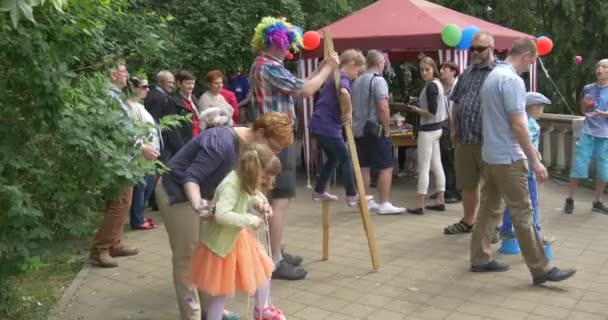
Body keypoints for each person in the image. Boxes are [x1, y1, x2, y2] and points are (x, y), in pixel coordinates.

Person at [156, 112, 293, 320]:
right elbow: (191, 178)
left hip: (207, 198)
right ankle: (192, 313)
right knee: (187, 258)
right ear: (261, 133)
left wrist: (259, 200)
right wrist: (199, 207)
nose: (275, 153)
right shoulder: (221, 144)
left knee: (207, 255)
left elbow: (244, 182)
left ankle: (211, 310)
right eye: (274, 147)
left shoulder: (251, 149)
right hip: (178, 195)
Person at [470, 38, 575, 285]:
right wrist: (534, 159)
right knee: (522, 212)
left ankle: (479, 258)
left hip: (491, 155)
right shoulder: (513, 81)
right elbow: (518, 125)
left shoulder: (492, 76)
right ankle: (541, 269)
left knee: (488, 208)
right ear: (527, 55)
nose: (533, 64)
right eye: (534, 59)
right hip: (509, 157)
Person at [248, 16, 340, 280]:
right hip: (275, 143)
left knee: (276, 199)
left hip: (271, 141)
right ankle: (275, 260)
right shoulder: (269, 67)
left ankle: (275, 251)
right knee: (280, 200)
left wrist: (322, 66)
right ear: (279, 42)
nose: (291, 48)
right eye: (288, 43)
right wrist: (329, 67)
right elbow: (308, 90)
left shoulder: (264, 65)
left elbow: (300, 85)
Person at [190, 143, 286, 320]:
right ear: (255, 170)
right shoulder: (230, 185)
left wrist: (260, 205)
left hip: (238, 238)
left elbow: (249, 195)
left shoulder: (242, 180)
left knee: (264, 269)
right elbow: (222, 215)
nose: (265, 182)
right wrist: (249, 219)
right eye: (264, 177)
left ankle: (261, 309)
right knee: (221, 294)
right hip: (223, 245)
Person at [89, 59, 159, 268]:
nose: (127, 74)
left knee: (121, 203)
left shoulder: (117, 97)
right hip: (117, 160)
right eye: (123, 71)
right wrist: (141, 148)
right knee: (119, 204)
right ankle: (100, 249)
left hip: (123, 159)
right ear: (112, 75)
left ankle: (115, 244)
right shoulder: (109, 98)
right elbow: (119, 131)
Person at [444, 32, 499, 237]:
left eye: (480, 48)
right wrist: (454, 128)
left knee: (493, 188)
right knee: (468, 184)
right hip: (465, 139)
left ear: (492, 49)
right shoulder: (467, 73)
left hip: (489, 140)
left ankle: (493, 227)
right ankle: (468, 221)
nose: (474, 52)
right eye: (472, 48)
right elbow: (457, 101)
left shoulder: (500, 72)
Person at [310, 49, 366, 206]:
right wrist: (349, 112)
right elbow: (344, 93)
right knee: (346, 159)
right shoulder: (343, 77)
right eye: (359, 70)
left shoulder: (333, 76)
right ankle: (351, 194)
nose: (358, 74)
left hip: (319, 123)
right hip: (328, 125)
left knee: (333, 158)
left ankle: (319, 190)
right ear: (352, 64)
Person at [352, 49, 405, 215]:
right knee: (386, 166)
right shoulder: (378, 80)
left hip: (359, 129)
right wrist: (387, 129)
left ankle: (367, 200)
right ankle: (384, 203)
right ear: (380, 63)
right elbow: (382, 107)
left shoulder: (357, 80)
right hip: (375, 130)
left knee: (364, 166)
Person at [500, 92, 551, 241]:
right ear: (534, 107)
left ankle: (506, 228)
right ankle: (534, 228)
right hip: (527, 170)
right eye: (542, 108)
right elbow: (527, 142)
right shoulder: (531, 124)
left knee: (513, 199)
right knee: (532, 200)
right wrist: (536, 156)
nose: (542, 111)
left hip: (516, 167)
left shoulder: (521, 121)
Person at [564, 59, 608, 215]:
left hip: (605, 136)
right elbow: (583, 110)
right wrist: (584, 104)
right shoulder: (588, 88)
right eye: (598, 66)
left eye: (604, 67)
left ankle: (597, 201)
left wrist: (604, 114)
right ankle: (570, 199)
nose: (600, 69)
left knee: (604, 171)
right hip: (588, 132)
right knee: (579, 166)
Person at [405, 57, 447, 215]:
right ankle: (440, 200)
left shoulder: (431, 87)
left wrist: (415, 109)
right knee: (437, 165)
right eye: (422, 70)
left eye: (427, 69)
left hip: (428, 130)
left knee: (423, 167)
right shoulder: (438, 84)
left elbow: (431, 112)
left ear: (433, 69)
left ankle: (420, 204)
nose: (424, 72)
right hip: (437, 129)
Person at [126, 77, 161, 230]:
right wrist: (142, 148)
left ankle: (139, 215)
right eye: (144, 86)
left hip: (150, 152)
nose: (147, 89)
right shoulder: (130, 107)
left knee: (147, 185)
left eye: (148, 86)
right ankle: (137, 219)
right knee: (141, 186)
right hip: (142, 154)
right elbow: (132, 133)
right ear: (133, 88)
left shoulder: (139, 105)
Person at [162, 70, 200, 161]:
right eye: (188, 83)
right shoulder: (173, 102)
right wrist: (181, 150)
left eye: (193, 83)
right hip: (184, 144)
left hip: (197, 140)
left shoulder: (194, 99)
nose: (191, 86)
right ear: (179, 84)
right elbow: (172, 129)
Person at [437, 61, 460, 203]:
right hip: (442, 127)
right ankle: (445, 189)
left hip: (453, 127)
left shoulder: (457, 87)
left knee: (453, 160)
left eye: (444, 69)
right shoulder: (440, 86)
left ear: (453, 71)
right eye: (441, 68)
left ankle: (457, 192)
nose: (441, 71)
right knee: (444, 159)